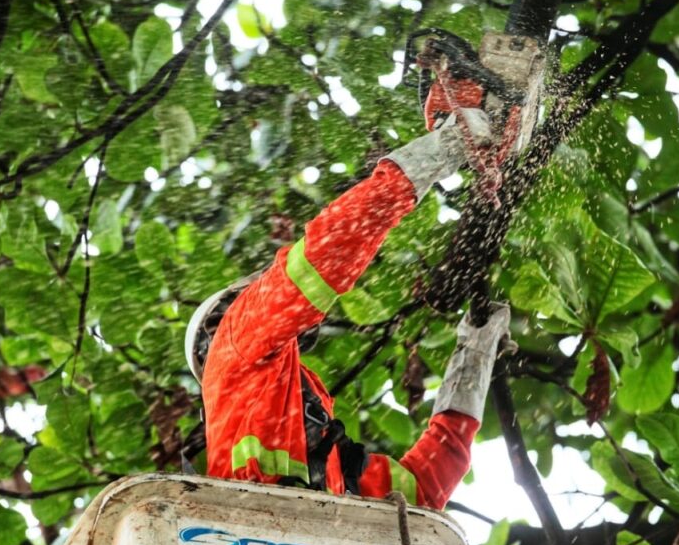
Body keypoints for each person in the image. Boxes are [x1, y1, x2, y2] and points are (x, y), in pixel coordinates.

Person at [183, 75, 513, 511]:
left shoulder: (328, 459)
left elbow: (422, 487)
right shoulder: (234, 340)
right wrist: (442, 149)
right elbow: (324, 253)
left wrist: (474, 356)